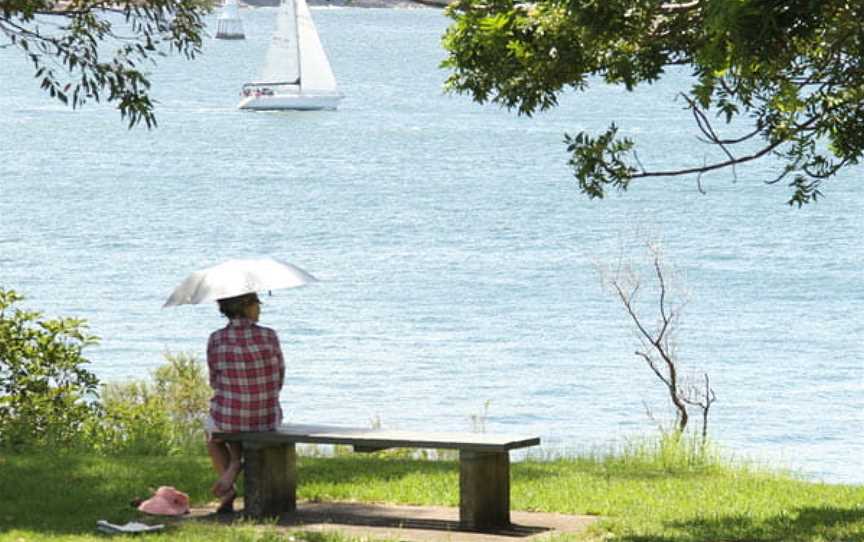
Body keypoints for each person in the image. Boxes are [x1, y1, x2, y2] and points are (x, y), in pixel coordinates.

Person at [205, 292, 285, 513]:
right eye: (257, 303)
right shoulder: (269, 336)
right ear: (246, 307)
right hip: (266, 417)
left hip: (230, 418)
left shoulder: (215, 339)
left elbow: (214, 381)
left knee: (213, 435)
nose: (260, 308)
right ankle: (234, 464)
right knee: (239, 415)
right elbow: (279, 377)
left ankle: (230, 473)